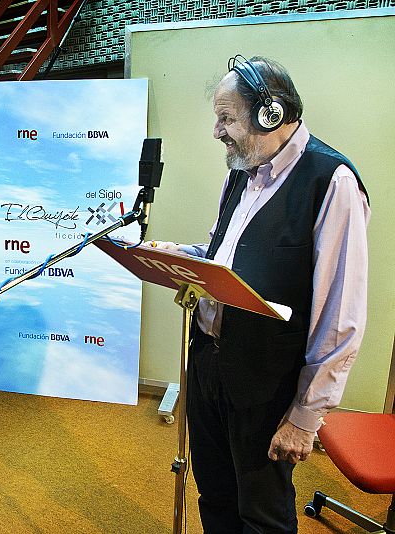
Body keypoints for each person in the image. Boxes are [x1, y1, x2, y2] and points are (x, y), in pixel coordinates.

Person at [152, 56, 370, 532]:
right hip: (210, 362)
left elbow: (340, 314)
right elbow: (222, 258)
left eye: (227, 118)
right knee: (216, 496)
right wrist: (171, 255)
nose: (217, 131)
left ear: (270, 115)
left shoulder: (332, 182)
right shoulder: (242, 172)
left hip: (268, 382)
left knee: (263, 514)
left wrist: (306, 417)